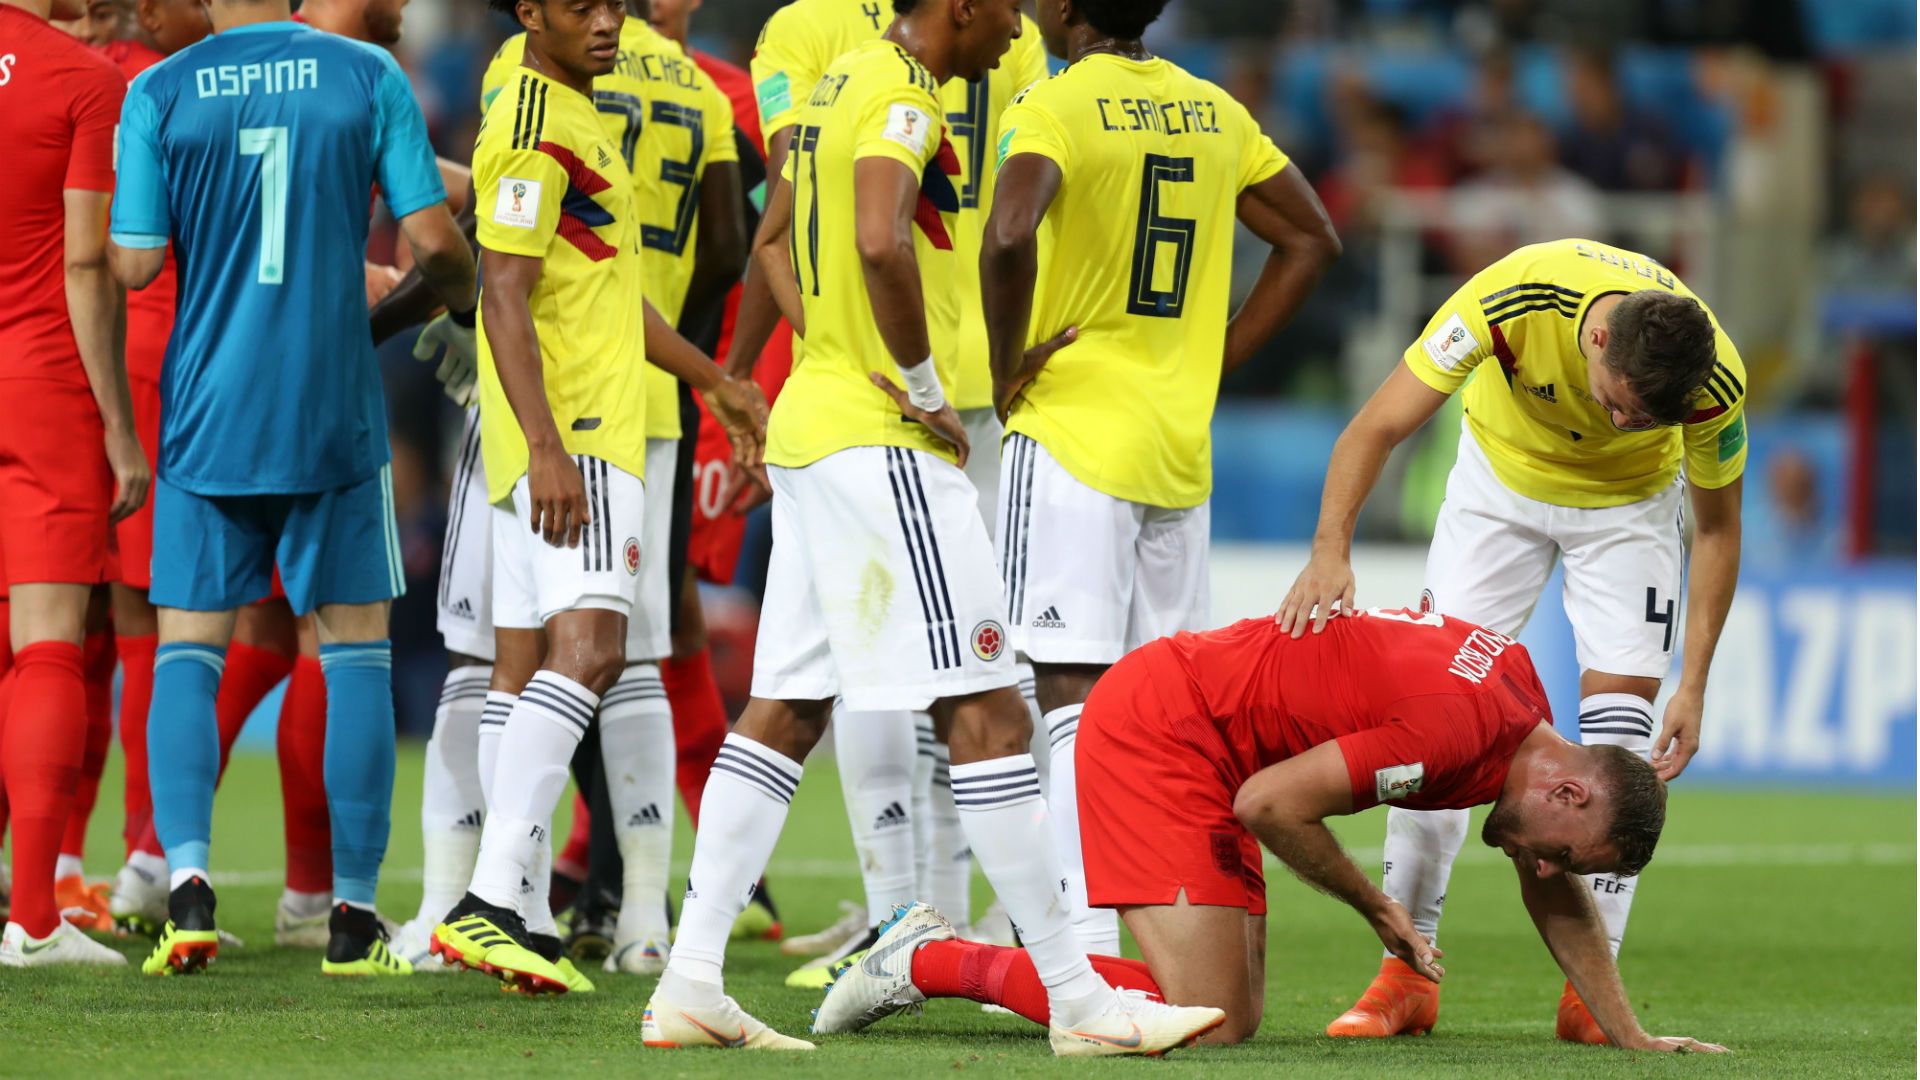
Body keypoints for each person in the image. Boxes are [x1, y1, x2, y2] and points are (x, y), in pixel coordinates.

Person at [639, 0, 1220, 1055]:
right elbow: (876, 236)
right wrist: (914, 383)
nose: (1019, 22)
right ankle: (1080, 1001)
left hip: (818, 426)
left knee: (785, 712)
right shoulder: (905, 98)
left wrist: (819, 355)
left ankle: (688, 980)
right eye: (1004, 7)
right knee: (991, 710)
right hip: (882, 445)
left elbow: (771, 236)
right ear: (959, 5)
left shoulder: (827, 92)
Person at [816, 609, 1728, 1056]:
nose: (1535, 863)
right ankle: (926, 958)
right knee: (1207, 1026)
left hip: (1215, 737)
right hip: (1164, 730)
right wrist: (1377, 907)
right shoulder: (1454, 731)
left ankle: (947, 956)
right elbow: (1269, 805)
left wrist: (1632, 1035)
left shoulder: (1522, 707)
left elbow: (1552, 893)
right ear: (1568, 793)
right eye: (1557, 850)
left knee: (1226, 1015)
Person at [1277, 238, 1747, 1041]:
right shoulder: (1509, 300)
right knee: (1433, 722)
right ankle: (1406, 977)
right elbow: (1376, 425)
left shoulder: (1712, 384)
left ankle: (1591, 998)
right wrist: (1330, 550)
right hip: (1500, 487)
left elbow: (1717, 528)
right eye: (1620, 403)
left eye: (1647, 419)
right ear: (1597, 342)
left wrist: (1694, 682)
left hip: (1628, 510)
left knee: (1621, 746)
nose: (1627, 422)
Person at [108, 0, 477, 976]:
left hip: (207, 411)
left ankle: (183, 885)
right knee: (352, 650)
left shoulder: (158, 89)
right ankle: (349, 913)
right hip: (333, 412)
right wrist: (469, 298)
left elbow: (136, 261)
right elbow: (436, 241)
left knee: (190, 648)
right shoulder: (364, 75)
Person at [982, 0, 1339, 957]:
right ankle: (1170, 920)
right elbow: (1312, 240)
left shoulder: (1056, 104)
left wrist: (1001, 364)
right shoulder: (1212, 108)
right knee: (1168, 705)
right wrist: (1214, 360)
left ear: (1061, 10)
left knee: (1067, 688)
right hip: (1177, 451)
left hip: (1072, 436)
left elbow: (1010, 231)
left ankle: (1081, 937)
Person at [428, 0, 762, 997]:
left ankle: (516, 908)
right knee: (596, 651)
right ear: (530, 13)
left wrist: (715, 378)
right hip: (576, 434)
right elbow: (503, 288)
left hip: (584, 425)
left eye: (614, 3)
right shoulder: (536, 121)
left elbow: (611, 292)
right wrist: (543, 445)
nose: (608, 22)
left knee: (534, 658)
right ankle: (491, 899)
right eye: (581, 6)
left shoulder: (577, 111)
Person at [0, 0, 149, 968]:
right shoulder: (81, 80)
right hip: (42, 379)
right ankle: (35, 920)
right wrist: (122, 432)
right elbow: (90, 265)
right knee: (51, 646)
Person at [87, 0, 212, 942]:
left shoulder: (110, 74)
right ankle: (145, 856)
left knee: (64, 620)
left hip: (80, 353)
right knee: (157, 616)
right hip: (159, 358)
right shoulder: (157, 78)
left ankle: (68, 864)